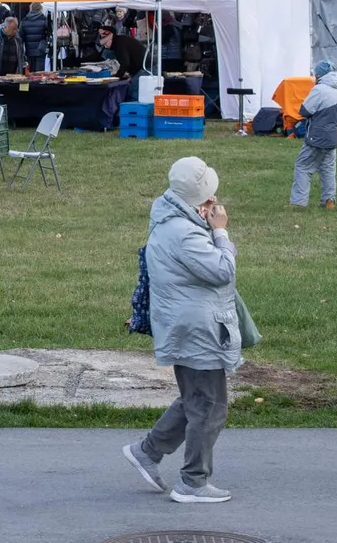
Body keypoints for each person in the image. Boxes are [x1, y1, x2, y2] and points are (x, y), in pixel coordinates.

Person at [123, 156, 239, 504]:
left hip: (187, 323)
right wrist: (221, 232)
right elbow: (222, 271)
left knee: (197, 399)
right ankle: (192, 482)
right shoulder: (184, 232)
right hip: (196, 327)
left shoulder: (173, 218)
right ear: (198, 201)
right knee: (211, 406)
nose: (214, 204)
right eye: (209, 199)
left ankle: (148, 451)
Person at [291, 60, 337, 209]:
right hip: (332, 137)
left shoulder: (319, 89)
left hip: (316, 137)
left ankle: (298, 202)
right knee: (328, 168)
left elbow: (304, 111)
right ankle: (329, 200)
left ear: (319, 75)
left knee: (303, 166)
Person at [20, 5, 50, 73]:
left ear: (30, 9)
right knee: (39, 73)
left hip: (28, 51)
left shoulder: (24, 20)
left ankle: (30, 84)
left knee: (29, 72)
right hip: (41, 50)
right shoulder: (44, 20)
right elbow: (48, 34)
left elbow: (20, 36)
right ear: (41, 9)